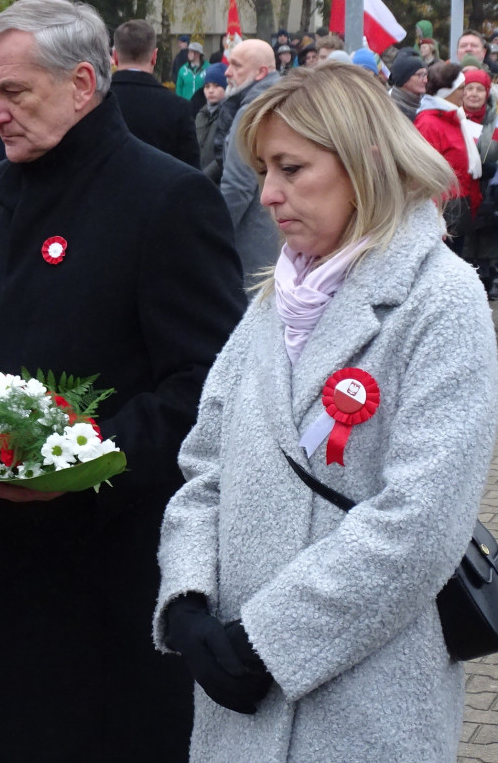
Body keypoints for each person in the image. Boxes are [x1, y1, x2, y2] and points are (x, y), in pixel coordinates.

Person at [152, 60, 497, 763]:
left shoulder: (442, 299)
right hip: (238, 698)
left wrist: (268, 639)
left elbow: (423, 517)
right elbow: (204, 463)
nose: (269, 195)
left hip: (365, 692)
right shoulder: (273, 299)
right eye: (263, 170)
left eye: (291, 168)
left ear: (365, 161)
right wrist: (188, 599)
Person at [0, 0, 246, 762]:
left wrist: (81, 457)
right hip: (2, 566)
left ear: (83, 85)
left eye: (13, 92)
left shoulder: (166, 199)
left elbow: (208, 390)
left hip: (111, 571)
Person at [221, 38, 282, 285]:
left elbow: (237, 185)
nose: (227, 72)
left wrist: (213, 232)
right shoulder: (282, 101)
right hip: (276, 234)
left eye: (236, 66)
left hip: (253, 240)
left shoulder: (252, 113)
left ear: (261, 72)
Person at [110, 18, 201, 168]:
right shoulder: (178, 108)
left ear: (115, 57)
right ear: (154, 56)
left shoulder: (94, 101)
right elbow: (191, 172)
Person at [415, 62, 480, 257]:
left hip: (458, 210)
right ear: (447, 91)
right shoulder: (428, 123)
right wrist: (436, 219)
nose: (465, 93)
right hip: (443, 215)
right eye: (461, 88)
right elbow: (424, 174)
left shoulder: (455, 117)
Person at [460, 68, 498, 293]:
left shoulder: (494, 121)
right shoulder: (455, 117)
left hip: (489, 187)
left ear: (487, 93)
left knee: (487, 231)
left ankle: (488, 271)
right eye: (469, 88)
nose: (474, 94)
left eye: (479, 89)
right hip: (462, 186)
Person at [197, 63, 227, 183]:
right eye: (207, 86)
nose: (210, 91)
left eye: (216, 86)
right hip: (199, 177)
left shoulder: (228, 115)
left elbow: (225, 154)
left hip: (218, 181)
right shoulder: (201, 114)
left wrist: (205, 176)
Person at [387, 51, 427, 121]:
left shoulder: (426, 105)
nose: (425, 80)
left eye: (425, 75)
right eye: (419, 75)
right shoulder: (391, 109)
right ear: (404, 79)